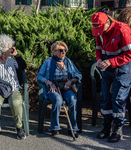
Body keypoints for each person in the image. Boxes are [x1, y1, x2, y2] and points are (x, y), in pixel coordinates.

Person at [91, 12, 131, 143]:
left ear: (108, 21)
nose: (99, 32)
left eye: (100, 28)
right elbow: (98, 50)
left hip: (123, 65)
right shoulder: (99, 32)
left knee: (118, 98)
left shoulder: (123, 30)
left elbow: (130, 53)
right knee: (106, 97)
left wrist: (112, 62)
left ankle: (118, 128)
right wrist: (98, 60)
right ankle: (107, 126)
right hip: (106, 65)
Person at [37, 41, 82, 137]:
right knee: (57, 99)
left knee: (73, 100)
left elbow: (78, 74)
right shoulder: (48, 61)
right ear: (53, 51)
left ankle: (73, 128)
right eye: (61, 50)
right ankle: (54, 127)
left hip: (66, 86)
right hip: (53, 86)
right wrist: (49, 83)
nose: (63, 52)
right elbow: (39, 76)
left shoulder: (68, 62)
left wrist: (71, 81)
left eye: (65, 50)